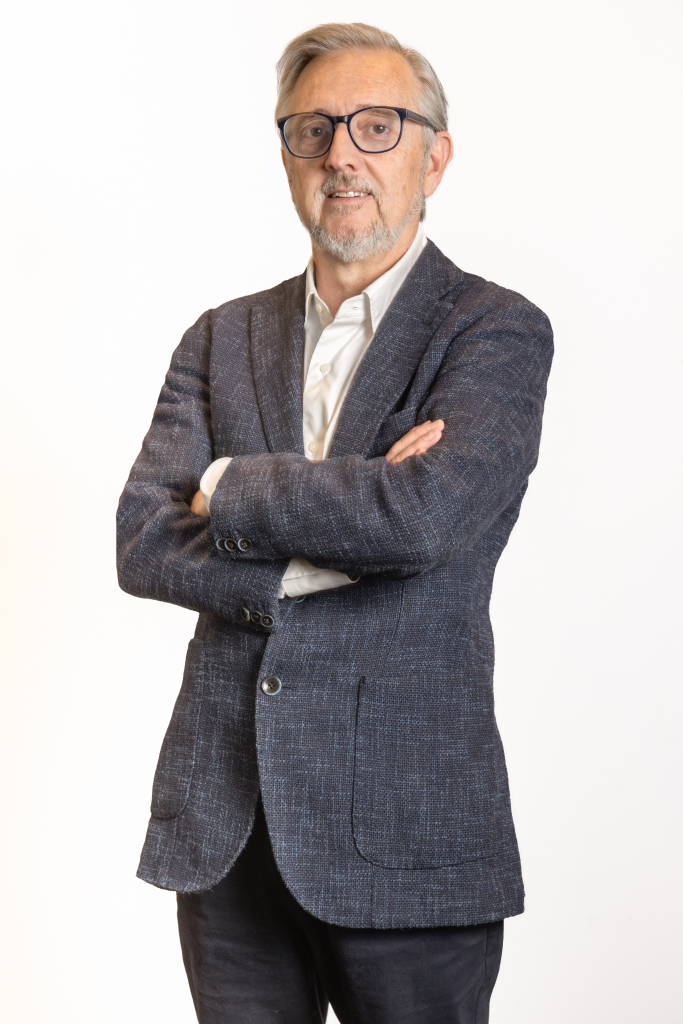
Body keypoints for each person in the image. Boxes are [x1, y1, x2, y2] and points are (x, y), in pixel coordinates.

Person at [117, 21, 553, 1024]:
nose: (341, 154)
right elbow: (141, 539)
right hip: (226, 825)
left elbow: (423, 519)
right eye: (311, 129)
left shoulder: (492, 329)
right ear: (286, 156)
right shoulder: (219, 336)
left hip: (403, 824)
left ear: (433, 156)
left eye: (376, 126)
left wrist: (224, 486)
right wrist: (347, 518)